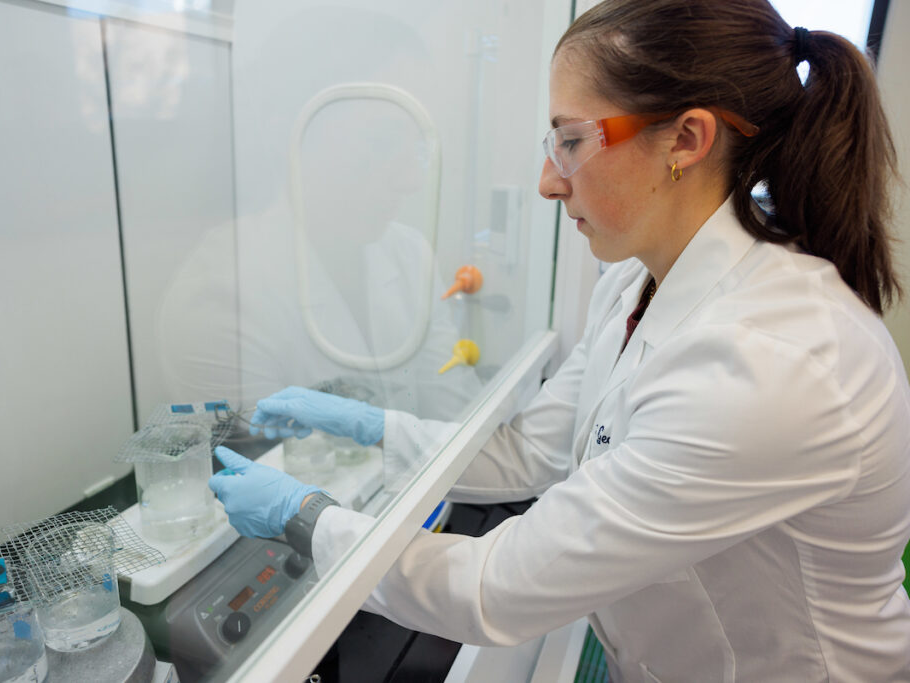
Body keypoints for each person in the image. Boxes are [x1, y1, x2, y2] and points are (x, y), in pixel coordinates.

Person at [208, 1, 910, 680]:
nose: (548, 181)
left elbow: (495, 588)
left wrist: (304, 520)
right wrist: (374, 429)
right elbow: (532, 449)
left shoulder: (775, 363)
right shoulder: (636, 284)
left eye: (571, 141)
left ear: (686, 141)